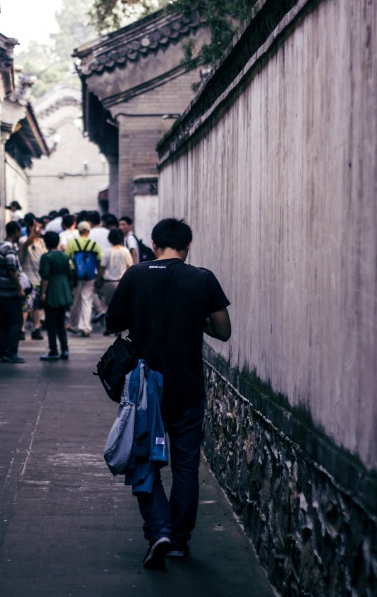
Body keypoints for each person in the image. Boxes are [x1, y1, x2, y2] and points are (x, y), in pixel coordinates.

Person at [105, 218, 232, 570]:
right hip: (187, 385)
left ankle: (159, 528)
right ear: (188, 246)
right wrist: (194, 319)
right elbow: (223, 330)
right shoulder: (202, 279)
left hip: (146, 386)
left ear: (153, 244)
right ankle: (178, 540)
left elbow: (113, 322)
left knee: (143, 459)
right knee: (186, 464)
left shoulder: (135, 275)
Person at [0, 221, 26, 363]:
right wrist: (19, 289)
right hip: (9, 292)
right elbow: (12, 271)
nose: (20, 234)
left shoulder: (0, 247)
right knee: (16, 321)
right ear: (16, 232)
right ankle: (11, 353)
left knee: (4, 322)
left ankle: (1, 352)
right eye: (19, 232)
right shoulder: (10, 250)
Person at [38, 231, 72, 361]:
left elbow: (45, 277)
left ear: (46, 243)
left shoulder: (46, 257)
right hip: (63, 290)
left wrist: (43, 293)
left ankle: (53, 350)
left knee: (51, 323)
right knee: (61, 322)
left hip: (52, 290)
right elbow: (69, 274)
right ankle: (65, 349)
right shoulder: (64, 256)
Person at [65, 221, 102, 337]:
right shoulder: (94, 244)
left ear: (79, 231)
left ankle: (73, 324)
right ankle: (85, 327)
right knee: (87, 300)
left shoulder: (73, 243)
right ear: (88, 231)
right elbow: (99, 260)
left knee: (75, 300)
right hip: (90, 275)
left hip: (75, 274)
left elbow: (67, 258)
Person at [96, 228, 133, 336]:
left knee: (108, 306)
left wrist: (98, 279)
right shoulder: (125, 251)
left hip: (109, 283)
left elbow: (102, 268)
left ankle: (109, 327)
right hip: (122, 282)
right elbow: (129, 267)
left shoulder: (107, 252)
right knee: (120, 307)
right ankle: (119, 328)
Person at [18, 215, 45, 340]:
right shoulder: (24, 240)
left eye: (41, 227)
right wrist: (33, 234)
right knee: (25, 307)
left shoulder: (42, 242)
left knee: (38, 307)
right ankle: (22, 329)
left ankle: (36, 328)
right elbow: (24, 246)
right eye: (37, 227)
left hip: (40, 279)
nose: (40, 230)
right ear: (30, 227)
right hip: (28, 280)